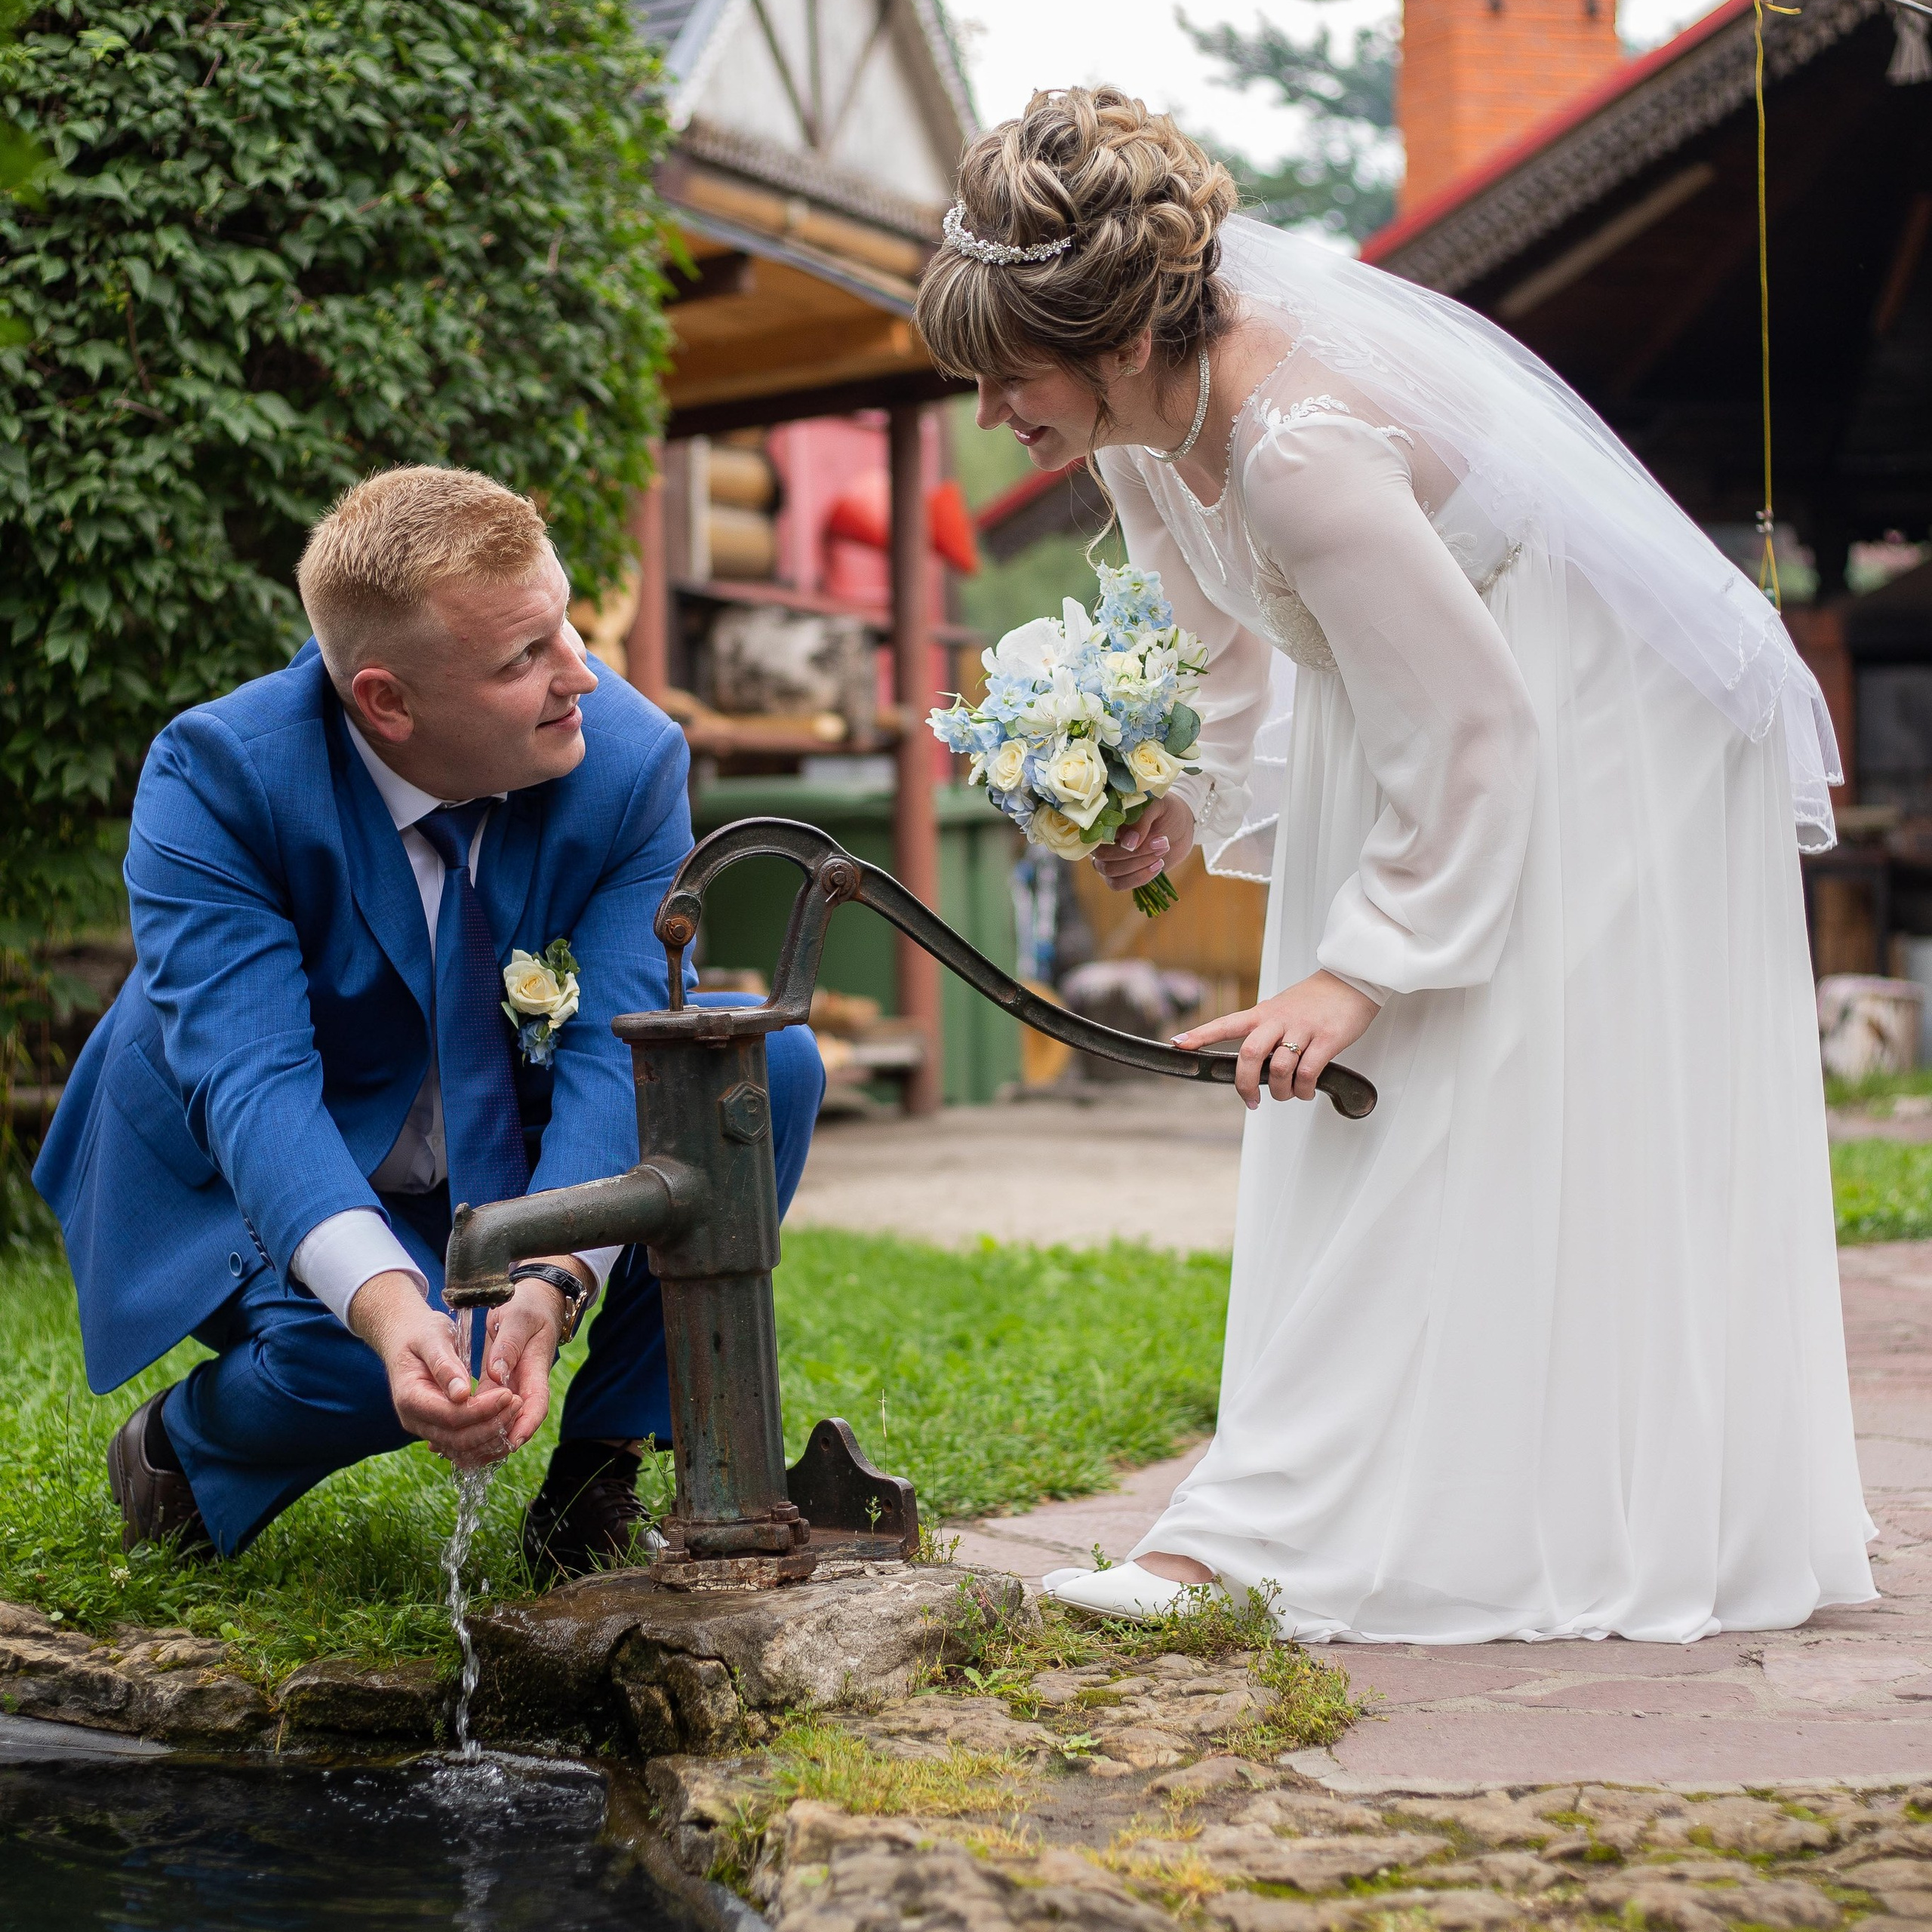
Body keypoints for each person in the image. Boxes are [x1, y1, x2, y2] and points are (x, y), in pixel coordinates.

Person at [914, 88, 1874, 1643]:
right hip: (1434, 718)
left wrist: (1365, 964)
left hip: (1598, 723)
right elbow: (1227, 643)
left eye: (1000, 372)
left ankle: (1251, 1535)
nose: (984, 414)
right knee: (1410, 1112)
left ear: (1110, 342)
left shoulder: (1298, 448)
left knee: (1466, 1091)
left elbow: (1482, 724)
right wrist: (1178, 789)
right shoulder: (1147, 428)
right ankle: (1329, 1507)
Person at [33, 466, 823, 1574]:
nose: (581, 677)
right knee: (390, 1360)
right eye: (524, 661)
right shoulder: (219, 777)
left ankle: (599, 1481)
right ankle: (183, 1446)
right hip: (260, 1152)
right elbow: (252, 1084)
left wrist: (551, 1284)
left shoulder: (631, 761)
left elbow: (616, 1049)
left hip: (504, 1131)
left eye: (568, 628)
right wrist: (390, 1302)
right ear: (386, 700)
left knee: (754, 1064)